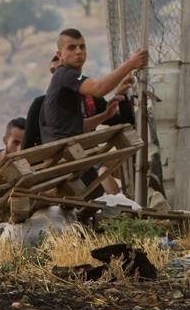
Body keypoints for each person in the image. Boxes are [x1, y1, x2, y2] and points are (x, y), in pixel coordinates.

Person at [41, 29, 146, 194]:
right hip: (65, 156)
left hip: (72, 152)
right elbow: (99, 88)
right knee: (105, 169)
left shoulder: (72, 83)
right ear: (60, 54)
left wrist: (107, 112)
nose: (79, 51)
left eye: (82, 47)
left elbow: (77, 126)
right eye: (72, 47)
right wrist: (131, 64)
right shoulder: (66, 74)